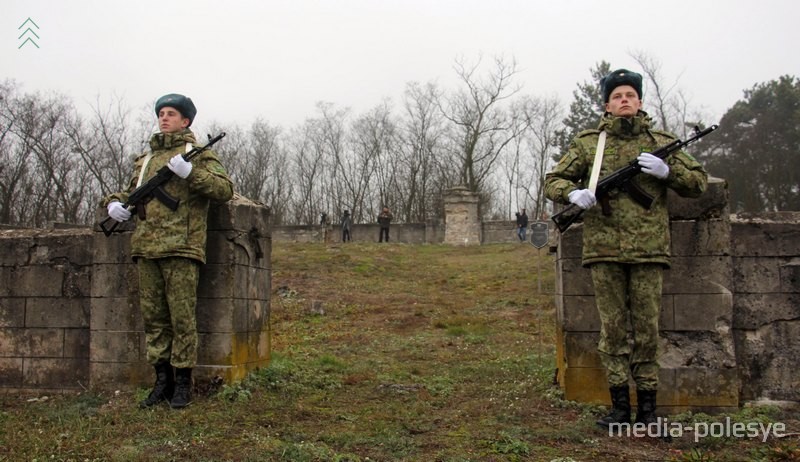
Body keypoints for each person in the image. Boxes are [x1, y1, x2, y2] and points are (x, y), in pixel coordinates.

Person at [544, 69, 708, 430]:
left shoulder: (661, 140)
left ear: (640, 102)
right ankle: (619, 407)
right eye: (617, 96)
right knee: (613, 330)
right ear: (607, 103)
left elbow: (697, 183)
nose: (624, 101)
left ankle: (649, 410)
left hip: (649, 251)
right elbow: (552, 180)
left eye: (630, 95)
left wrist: (668, 173)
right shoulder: (590, 143)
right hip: (604, 250)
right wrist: (572, 193)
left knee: (648, 330)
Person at [103, 93, 234, 409]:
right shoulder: (145, 159)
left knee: (182, 318)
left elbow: (223, 190)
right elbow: (132, 190)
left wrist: (191, 174)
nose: (164, 118)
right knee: (154, 319)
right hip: (147, 248)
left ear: (185, 120)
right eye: (161, 112)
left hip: (181, 248)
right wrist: (113, 203)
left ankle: (183, 383)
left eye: (171, 113)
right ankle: (162, 381)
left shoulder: (197, 154)